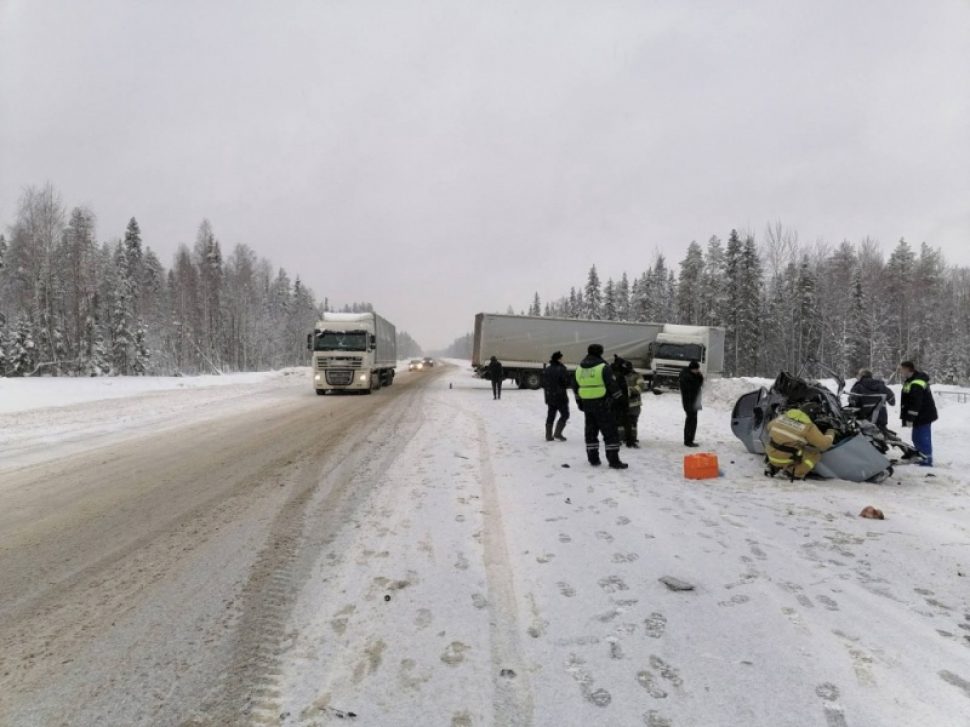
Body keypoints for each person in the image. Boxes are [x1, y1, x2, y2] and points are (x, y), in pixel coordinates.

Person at [573, 343, 628, 469]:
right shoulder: (603, 367)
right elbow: (612, 385)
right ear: (600, 352)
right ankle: (613, 461)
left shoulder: (579, 368)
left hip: (587, 405)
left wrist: (579, 402)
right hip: (603, 404)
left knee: (591, 432)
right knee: (610, 433)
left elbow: (575, 388)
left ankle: (593, 459)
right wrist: (620, 399)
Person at [764, 402, 835, 479]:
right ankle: (794, 472)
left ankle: (773, 466)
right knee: (815, 454)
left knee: (783, 445)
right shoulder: (808, 427)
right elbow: (824, 444)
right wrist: (831, 431)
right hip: (786, 459)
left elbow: (768, 428)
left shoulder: (782, 417)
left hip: (770, 454)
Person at [899, 360, 938, 466]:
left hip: (924, 415)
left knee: (922, 437)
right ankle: (920, 456)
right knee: (916, 437)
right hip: (919, 415)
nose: (901, 371)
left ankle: (926, 459)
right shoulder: (911, 380)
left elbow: (915, 402)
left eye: (902, 369)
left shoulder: (916, 382)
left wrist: (910, 418)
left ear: (908, 369)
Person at [543, 351, 570, 441]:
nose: (563, 360)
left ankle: (548, 435)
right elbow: (566, 383)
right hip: (560, 396)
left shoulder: (547, 369)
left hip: (550, 395)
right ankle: (558, 433)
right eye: (562, 358)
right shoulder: (562, 369)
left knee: (551, 415)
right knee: (565, 414)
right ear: (558, 359)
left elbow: (544, 383)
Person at [678, 360, 704, 447]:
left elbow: (699, 384)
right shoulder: (686, 377)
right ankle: (688, 440)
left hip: (694, 401)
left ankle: (690, 439)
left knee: (693, 420)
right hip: (689, 402)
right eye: (696, 370)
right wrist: (698, 377)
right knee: (691, 420)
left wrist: (699, 376)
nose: (697, 371)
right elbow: (694, 387)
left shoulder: (693, 375)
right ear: (692, 369)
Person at [622, 359, 645, 447]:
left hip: (634, 404)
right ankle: (622, 437)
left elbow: (641, 386)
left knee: (633, 422)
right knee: (620, 422)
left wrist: (628, 390)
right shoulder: (619, 375)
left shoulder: (637, 375)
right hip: (622, 404)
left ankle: (632, 438)